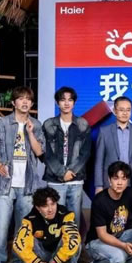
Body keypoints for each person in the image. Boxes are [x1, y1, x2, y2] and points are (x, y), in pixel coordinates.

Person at [0, 86, 46, 263]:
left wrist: (31, 133)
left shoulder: (36, 124)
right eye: (21, 98)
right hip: (4, 185)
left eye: (28, 99)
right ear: (13, 102)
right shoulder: (2, 123)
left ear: (32, 104)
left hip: (27, 185)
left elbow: (40, 152)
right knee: (0, 228)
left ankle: (18, 261)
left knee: (23, 228)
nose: (25, 102)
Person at [42, 86, 91, 228]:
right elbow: (46, 153)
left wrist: (71, 171)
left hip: (76, 180)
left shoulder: (82, 124)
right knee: (55, 221)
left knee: (73, 222)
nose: (66, 103)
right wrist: (62, 173)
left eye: (70, 100)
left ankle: (73, 244)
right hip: (55, 180)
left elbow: (85, 152)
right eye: (63, 100)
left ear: (74, 103)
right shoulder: (49, 124)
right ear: (57, 103)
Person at [13, 187, 82, 263]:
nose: (50, 209)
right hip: (41, 256)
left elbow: (74, 239)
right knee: (28, 241)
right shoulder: (30, 219)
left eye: (53, 204)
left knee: (74, 240)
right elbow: (19, 244)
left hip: (59, 255)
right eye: (45, 206)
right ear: (37, 208)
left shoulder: (65, 214)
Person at [94, 96, 132, 198]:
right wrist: (99, 185)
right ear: (115, 111)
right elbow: (99, 161)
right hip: (111, 182)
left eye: (128, 110)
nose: (125, 113)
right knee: (111, 208)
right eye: (121, 110)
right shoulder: (104, 132)